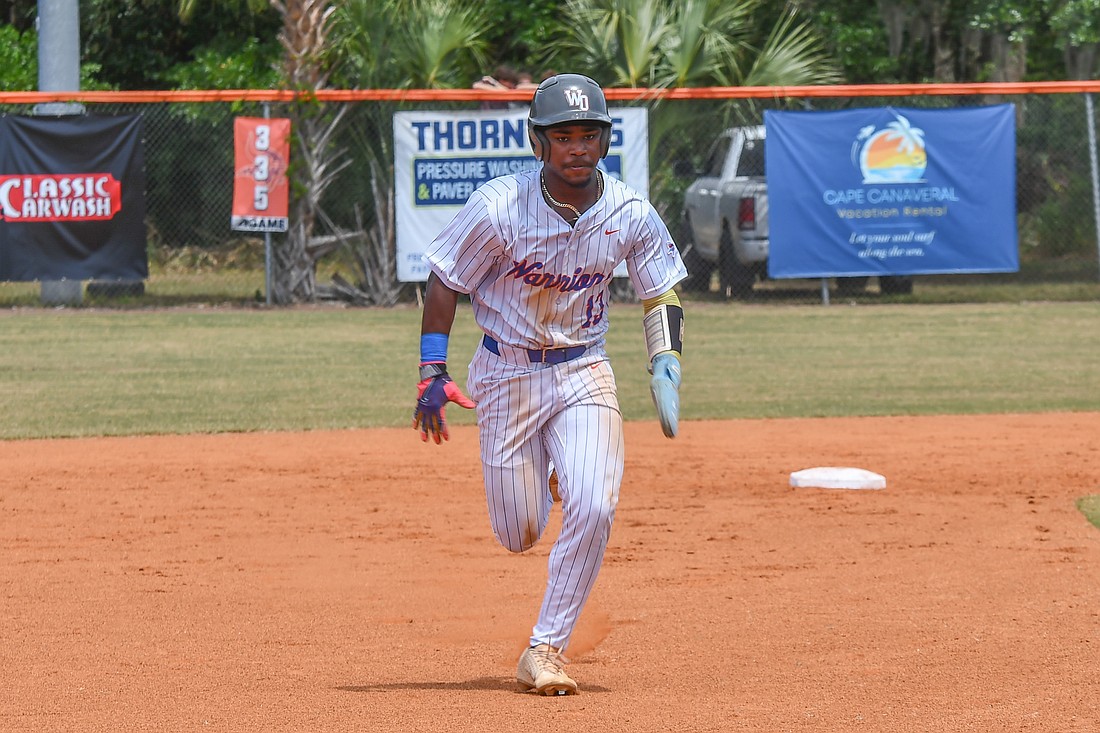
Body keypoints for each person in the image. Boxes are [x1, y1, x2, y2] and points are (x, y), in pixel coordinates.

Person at [413, 73, 687, 696]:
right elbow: (445, 282)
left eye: (588, 135)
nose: (576, 148)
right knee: (519, 533)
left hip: (583, 367)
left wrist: (665, 359)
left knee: (595, 502)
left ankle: (545, 649)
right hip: (505, 373)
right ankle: (554, 473)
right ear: (539, 143)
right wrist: (432, 370)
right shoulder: (498, 207)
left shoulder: (628, 213)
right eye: (562, 136)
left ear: (605, 140)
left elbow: (660, 291)